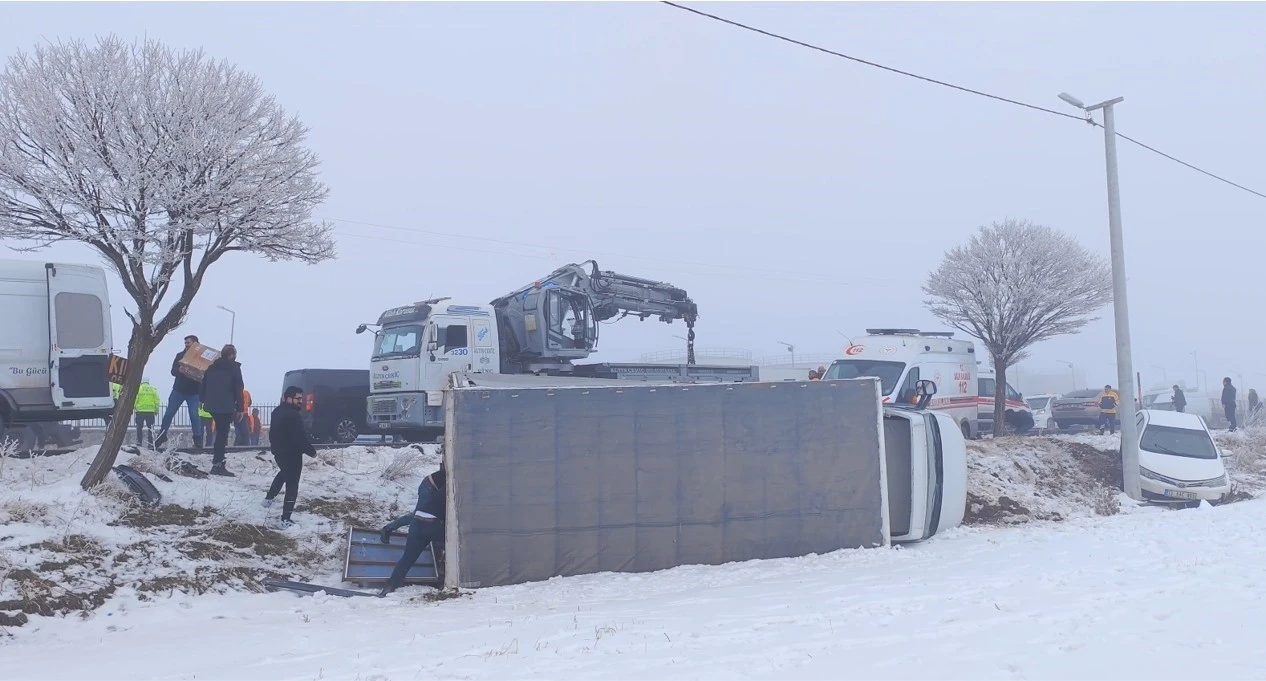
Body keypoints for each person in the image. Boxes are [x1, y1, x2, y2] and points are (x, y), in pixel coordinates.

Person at [378, 465, 446, 596]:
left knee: (408, 557)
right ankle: (387, 528)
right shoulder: (454, 484)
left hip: (419, 522)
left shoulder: (456, 477)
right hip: (430, 489)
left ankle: (390, 586)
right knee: (451, 537)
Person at [263, 386, 318, 527]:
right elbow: (299, 438)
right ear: (288, 398)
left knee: (283, 474)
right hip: (292, 454)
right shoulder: (293, 416)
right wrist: (312, 451)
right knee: (292, 486)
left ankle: (269, 498)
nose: (301, 401)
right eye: (297, 399)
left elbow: (274, 433)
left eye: (301, 398)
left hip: (279, 453)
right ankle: (285, 519)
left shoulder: (277, 411)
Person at [199, 344, 245, 476]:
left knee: (220, 433)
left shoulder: (211, 367)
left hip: (212, 405)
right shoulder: (234, 368)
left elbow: (203, 385)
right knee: (222, 434)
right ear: (231, 355)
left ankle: (218, 462)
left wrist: (203, 400)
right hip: (226, 406)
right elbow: (238, 388)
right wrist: (240, 408)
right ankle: (218, 464)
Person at [156, 335, 204, 449]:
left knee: (194, 415)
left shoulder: (201, 358)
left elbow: (205, 375)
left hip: (193, 392)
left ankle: (197, 439)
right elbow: (173, 371)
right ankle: (162, 435)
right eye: (185, 343)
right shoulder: (180, 356)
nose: (186, 345)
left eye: (188, 343)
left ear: (196, 344)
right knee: (169, 413)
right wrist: (179, 370)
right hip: (179, 390)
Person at [134, 378, 160, 447]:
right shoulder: (153, 389)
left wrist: (133, 407)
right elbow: (157, 401)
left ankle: (139, 442)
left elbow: (135, 399)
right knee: (150, 428)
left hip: (140, 411)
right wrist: (156, 410)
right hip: (150, 412)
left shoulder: (139, 389)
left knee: (139, 427)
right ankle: (150, 443)